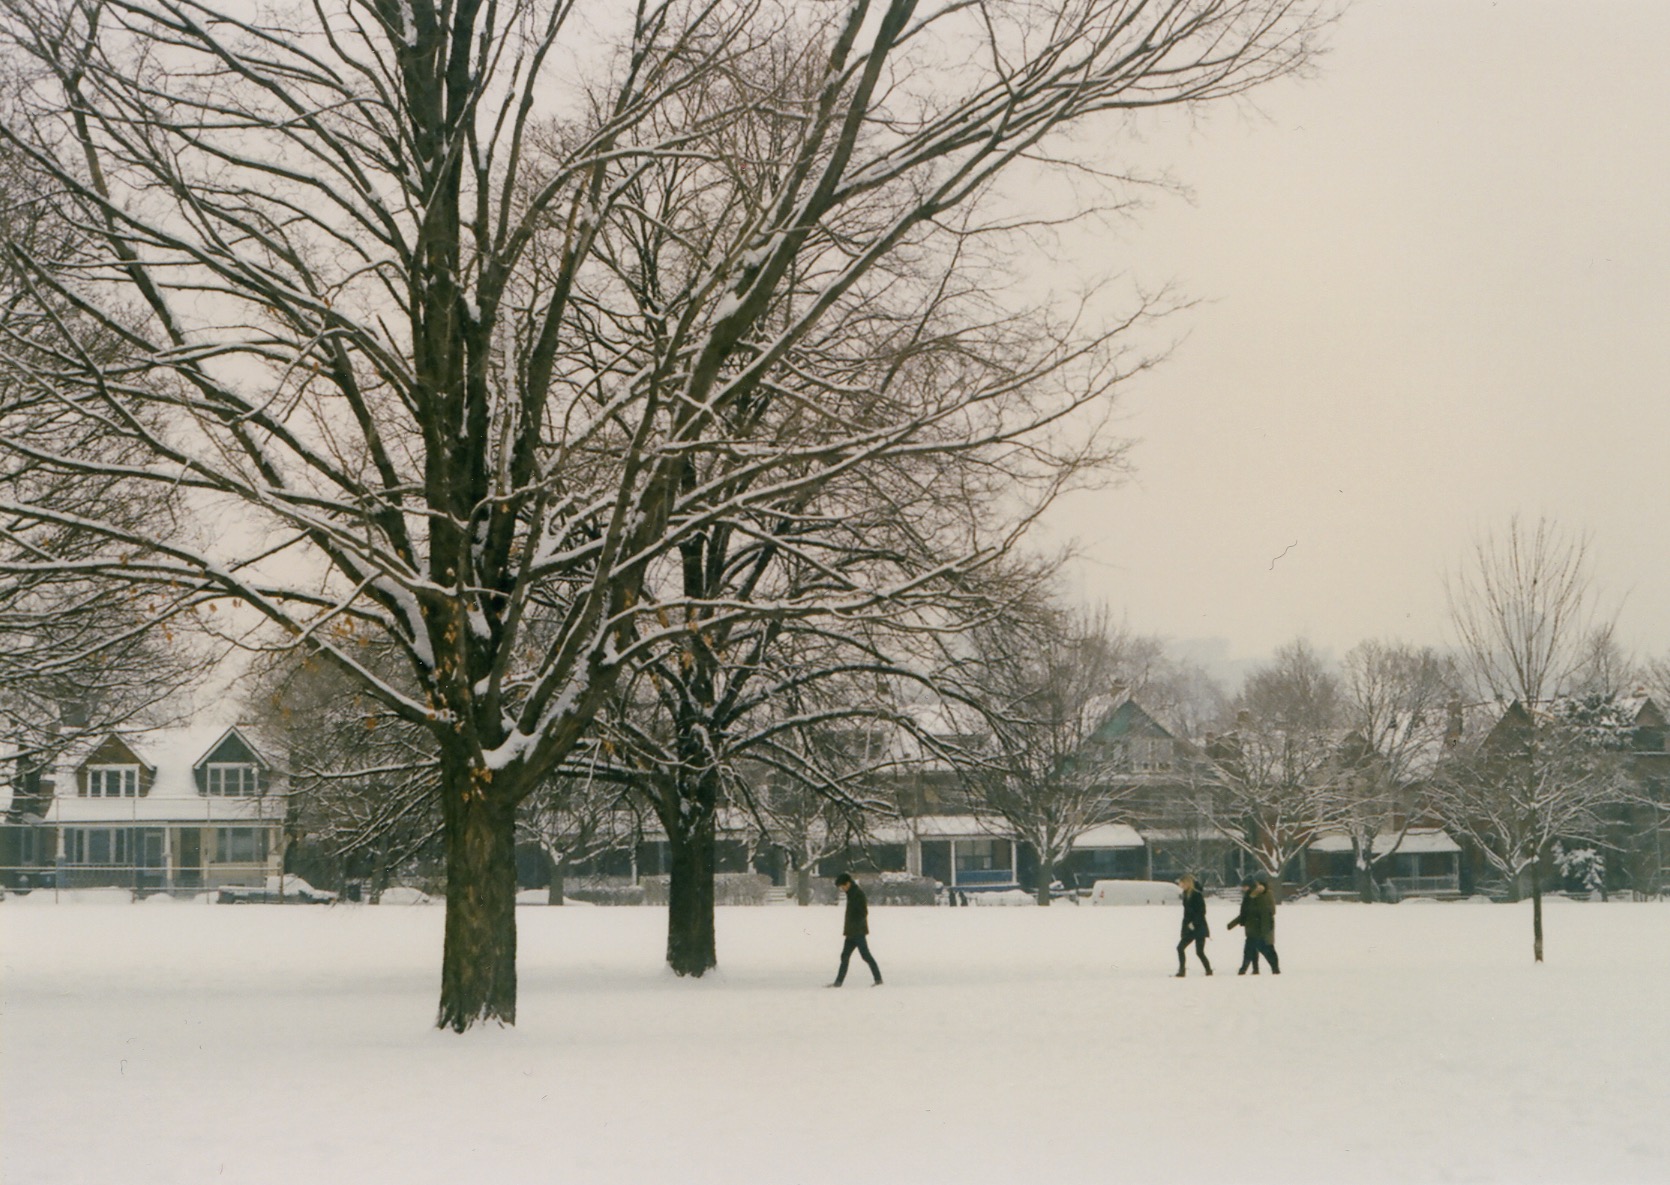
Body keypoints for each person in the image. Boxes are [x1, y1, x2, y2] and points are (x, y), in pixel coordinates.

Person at [830, 873, 883, 986]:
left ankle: (878, 979)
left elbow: (863, 912)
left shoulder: (857, 894)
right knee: (845, 956)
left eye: (842, 886)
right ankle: (838, 982)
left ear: (848, 883)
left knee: (865, 955)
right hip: (851, 932)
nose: (842, 889)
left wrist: (855, 924)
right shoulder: (851, 893)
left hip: (858, 932)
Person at [1226, 875, 1280, 975]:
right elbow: (1244, 914)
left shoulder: (1260, 897)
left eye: (1244, 886)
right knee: (1251, 950)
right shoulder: (1248, 897)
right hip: (1251, 929)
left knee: (1264, 950)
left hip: (1258, 930)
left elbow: (1265, 914)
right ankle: (1249, 970)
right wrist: (1232, 924)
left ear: (1250, 886)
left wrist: (1264, 930)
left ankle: (1274, 968)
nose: (1243, 888)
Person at [1174, 873, 1211, 976]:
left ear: (1187, 883)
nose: (1180, 885)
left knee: (1199, 952)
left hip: (1199, 927)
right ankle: (1182, 970)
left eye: (1181, 883)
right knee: (1180, 948)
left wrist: (1194, 923)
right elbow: (1187, 914)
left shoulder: (1196, 895)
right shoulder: (1185, 895)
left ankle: (1208, 970)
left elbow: (1201, 912)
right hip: (1190, 928)